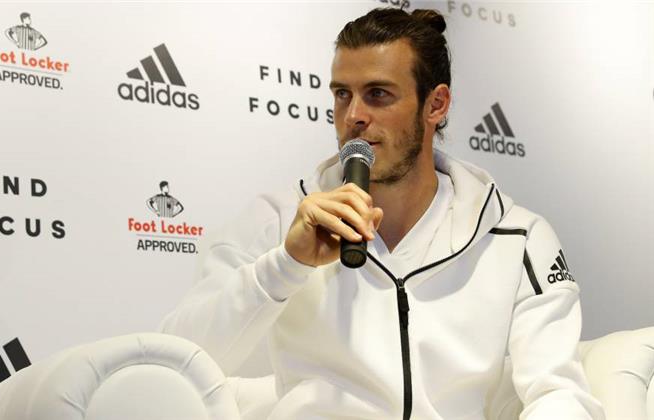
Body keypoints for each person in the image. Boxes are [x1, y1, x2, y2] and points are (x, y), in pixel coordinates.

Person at [160, 8, 604, 419]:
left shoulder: (517, 235)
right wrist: (285, 265)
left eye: (377, 94)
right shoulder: (277, 219)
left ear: (436, 104)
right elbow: (173, 365)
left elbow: (558, 394)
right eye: (342, 94)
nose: (353, 116)